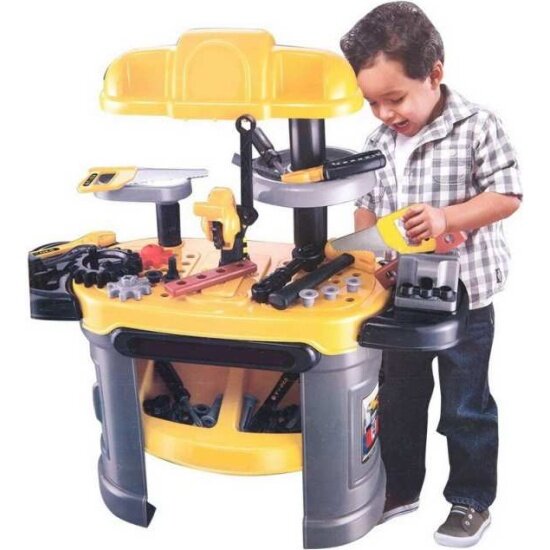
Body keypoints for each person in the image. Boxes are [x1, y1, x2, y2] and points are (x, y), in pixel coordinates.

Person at [340, 2, 522, 547]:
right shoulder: (377, 144)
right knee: (398, 398)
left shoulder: (477, 126)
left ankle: (470, 500)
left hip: (466, 295)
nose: (383, 113)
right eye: (372, 102)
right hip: (402, 298)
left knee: (465, 405)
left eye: (394, 98)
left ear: (434, 73)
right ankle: (400, 488)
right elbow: (366, 210)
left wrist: (447, 218)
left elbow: (507, 195)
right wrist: (374, 256)